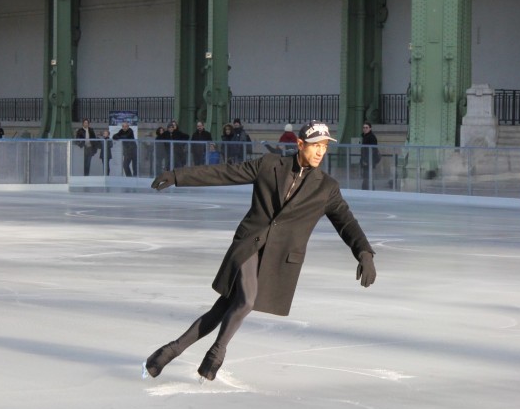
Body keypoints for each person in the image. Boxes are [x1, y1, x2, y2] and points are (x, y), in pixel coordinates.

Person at [144, 120, 377, 382]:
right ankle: (216, 355)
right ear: (300, 144)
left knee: (223, 308)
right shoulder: (269, 165)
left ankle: (167, 352)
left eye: (324, 146)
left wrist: (364, 253)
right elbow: (225, 173)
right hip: (249, 244)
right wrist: (178, 176)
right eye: (315, 146)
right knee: (246, 301)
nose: (321, 152)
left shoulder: (327, 188)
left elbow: (346, 222)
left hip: (277, 259)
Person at [359, 121, 380, 190]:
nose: (365, 129)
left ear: (370, 128)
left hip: (369, 160)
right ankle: (367, 189)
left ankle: (368, 189)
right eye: (364, 127)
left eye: (366, 128)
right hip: (366, 160)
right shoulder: (365, 136)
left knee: (368, 176)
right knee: (366, 176)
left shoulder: (371, 137)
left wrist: (367, 160)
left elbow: (372, 150)